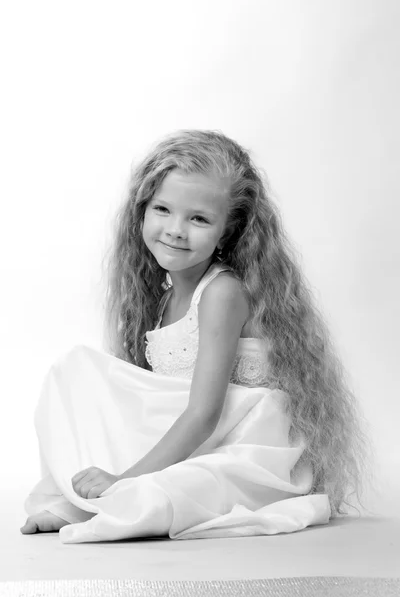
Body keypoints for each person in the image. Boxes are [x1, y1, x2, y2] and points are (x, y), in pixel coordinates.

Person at [20, 129, 374, 543]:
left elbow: (204, 413)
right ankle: (86, 498)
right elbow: (156, 402)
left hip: (243, 449)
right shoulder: (163, 298)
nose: (175, 229)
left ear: (227, 232)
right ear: (141, 211)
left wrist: (124, 478)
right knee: (75, 370)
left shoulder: (222, 293)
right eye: (163, 209)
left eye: (199, 218)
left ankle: (117, 497)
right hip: (199, 439)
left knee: (164, 494)